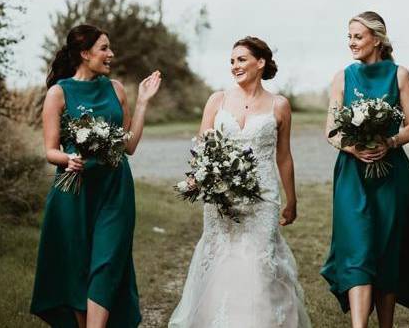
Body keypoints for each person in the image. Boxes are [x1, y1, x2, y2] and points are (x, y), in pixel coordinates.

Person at [168, 36, 311, 328]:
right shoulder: (217, 100)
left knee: (258, 265)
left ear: (261, 63)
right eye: (232, 61)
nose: (235, 66)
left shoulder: (279, 106)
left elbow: (284, 157)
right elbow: (202, 146)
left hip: (264, 198)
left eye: (241, 59)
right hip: (222, 198)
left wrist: (291, 200)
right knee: (223, 261)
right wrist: (200, 178)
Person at [31, 24, 161, 327]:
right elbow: (50, 150)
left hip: (115, 189)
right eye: (104, 48)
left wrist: (142, 102)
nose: (111, 54)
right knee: (76, 267)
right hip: (73, 191)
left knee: (107, 262)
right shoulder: (58, 93)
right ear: (84, 53)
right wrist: (68, 158)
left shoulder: (115, 89)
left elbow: (129, 146)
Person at [320, 11, 409, 328]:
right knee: (358, 248)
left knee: (387, 250)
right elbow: (332, 130)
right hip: (351, 176)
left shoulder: (400, 75)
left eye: (357, 37)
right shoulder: (342, 77)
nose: (351, 43)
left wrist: (389, 141)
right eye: (349, 37)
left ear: (377, 38)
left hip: (391, 175)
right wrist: (354, 147)